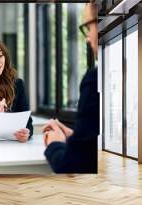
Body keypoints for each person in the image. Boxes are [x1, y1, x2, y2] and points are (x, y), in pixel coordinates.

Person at [43, 2, 99, 173]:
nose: (88, 37)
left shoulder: (95, 79)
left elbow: (72, 164)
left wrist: (54, 143)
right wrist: (75, 137)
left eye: (89, 27)